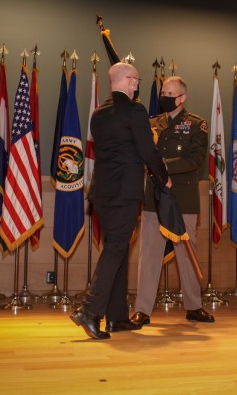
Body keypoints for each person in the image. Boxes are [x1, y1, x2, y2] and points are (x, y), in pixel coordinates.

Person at [70, 62, 171, 340]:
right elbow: (147, 149)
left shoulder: (98, 114)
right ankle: (91, 311)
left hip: (101, 192)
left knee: (119, 247)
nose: (137, 84)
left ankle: (116, 317)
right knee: (116, 247)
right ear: (125, 79)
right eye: (135, 79)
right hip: (125, 191)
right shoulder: (135, 110)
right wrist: (164, 177)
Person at [130, 76, 214, 326]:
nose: (164, 96)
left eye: (169, 92)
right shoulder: (152, 123)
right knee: (149, 255)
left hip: (182, 198)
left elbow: (195, 160)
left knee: (187, 253)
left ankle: (194, 306)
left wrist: (163, 167)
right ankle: (142, 310)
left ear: (182, 97)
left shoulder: (196, 124)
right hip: (154, 196)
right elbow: (142, 153)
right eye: (163, 91)